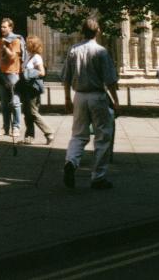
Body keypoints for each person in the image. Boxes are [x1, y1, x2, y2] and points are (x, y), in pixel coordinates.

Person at [62, 17, 120, 190]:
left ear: (82, 31)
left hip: (79, 96)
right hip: (97, 96)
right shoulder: (101, 51)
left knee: (78, 135)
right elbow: (110, 80)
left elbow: (66, 78)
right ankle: (98, 177)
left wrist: (67, 98)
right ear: (98, 31)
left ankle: (71, 161)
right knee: (102, 137)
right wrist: (116, 101)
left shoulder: (73, 50)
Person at [0, 17, 25, 139]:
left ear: (10, 28)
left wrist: (5, 47)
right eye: (1, 27)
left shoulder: (15, 40)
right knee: (3, 103)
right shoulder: (0, 40)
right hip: (2, 73)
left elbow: (13, 57)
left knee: (15, 102)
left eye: (4, 27)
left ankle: (16, 127)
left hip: (13, 73)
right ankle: (5, 127)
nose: (2, 29)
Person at [22, 35, 54, 145]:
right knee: (27, 112)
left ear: (32, 45)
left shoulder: (37, 57)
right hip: (26, 88)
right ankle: (29, 137)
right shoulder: (29, 56)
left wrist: (29, 73)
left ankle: (48, 132)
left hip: (33, 89)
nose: (25, 45)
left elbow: (42, 72)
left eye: (27, 43)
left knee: (32, 112)